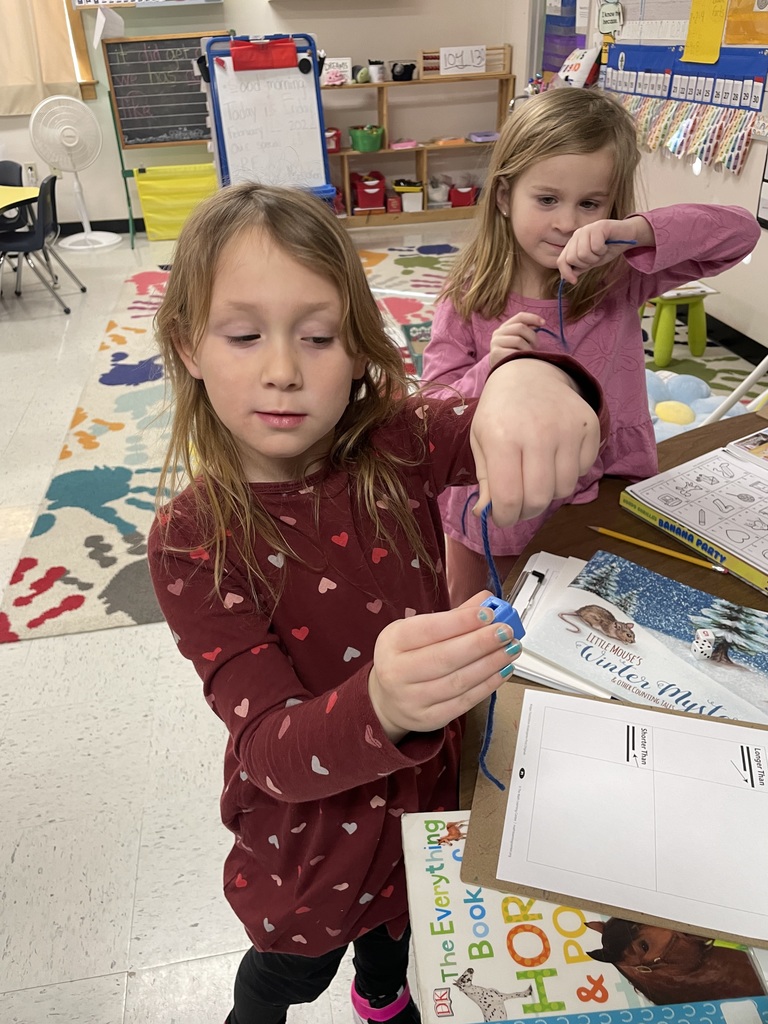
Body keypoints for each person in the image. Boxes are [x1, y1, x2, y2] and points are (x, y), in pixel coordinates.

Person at [147, 182, 606, 1024]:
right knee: (283, 977)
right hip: (305, 857)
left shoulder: (396, 446)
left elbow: (500, 418)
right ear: (188, 346)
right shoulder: (192, 539)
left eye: (318, 337)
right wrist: (383, 704)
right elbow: (269, 752)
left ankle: (384, 1001)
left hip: (423, 818)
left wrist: (531, 375)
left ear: (359, 350)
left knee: (398, 954)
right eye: (244, 335)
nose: (283, 369)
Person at [422, 86, 761, 606]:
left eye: (590, 203)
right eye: (547, 199)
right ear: (503, 196)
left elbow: (739, 233)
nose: (567, 223)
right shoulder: (470, 293)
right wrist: (491, 370)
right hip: (503, 509)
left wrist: (635, 232)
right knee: (480, 623)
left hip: (605, 489)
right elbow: (430, 407)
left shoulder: (622, 274)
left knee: (592, 614)